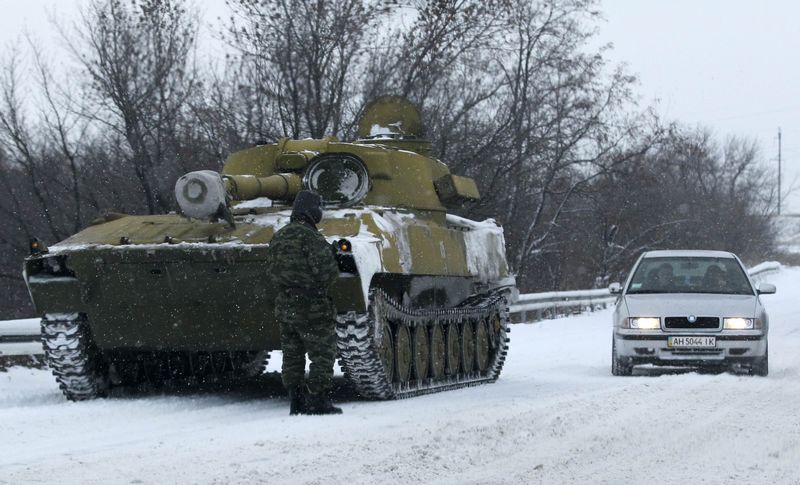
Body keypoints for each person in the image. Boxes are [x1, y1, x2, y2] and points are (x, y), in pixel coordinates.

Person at [267, 190, 342, 415]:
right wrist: (334, 258)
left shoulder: (278, 236)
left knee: (292, 354)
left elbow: (271, 271)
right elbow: (328, 274)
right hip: (313, 307)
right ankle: (318, 400)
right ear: (311, 211)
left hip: (286, 305)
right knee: (322, 353)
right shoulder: (311, 238)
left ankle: (296, 401)